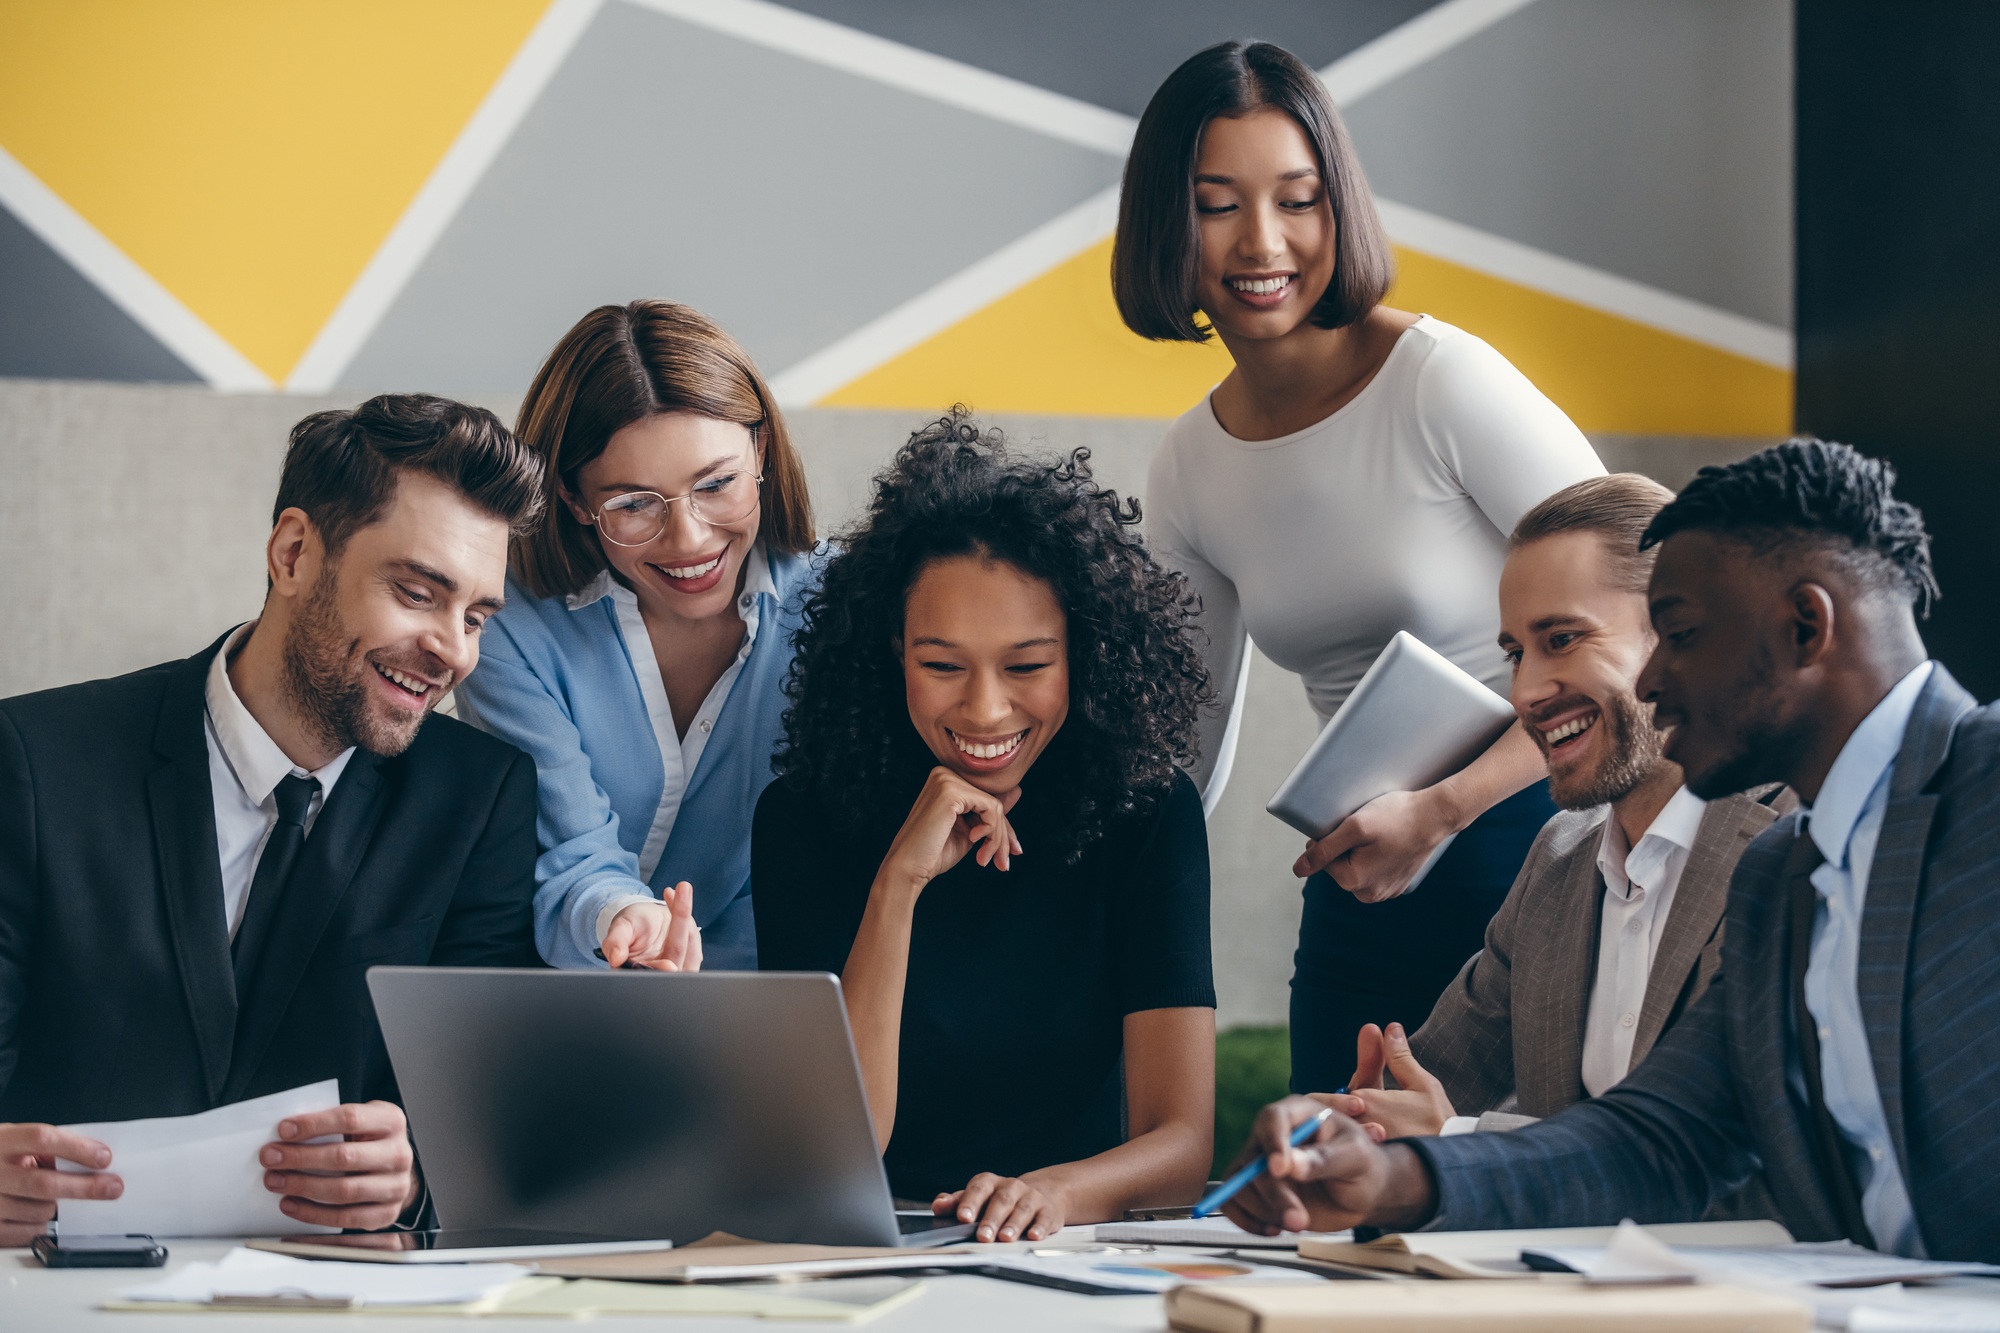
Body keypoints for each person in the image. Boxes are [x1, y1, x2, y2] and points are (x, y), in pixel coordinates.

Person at [1220, 440, 2000, 1262]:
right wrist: (1391, 1175)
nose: (1655, 679)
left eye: (1682, 635)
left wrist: (1444, 1138)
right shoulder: (1785, 875)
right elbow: (1661, 1139)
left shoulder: (1979, 788)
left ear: (1805, 625)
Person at [1118, 39, 1605, 1090]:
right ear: (1166, 223)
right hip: (1361, 869)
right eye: (1216, 205)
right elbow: (1181, 741)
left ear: (1337, 207)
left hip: (1539, 842)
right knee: (1327, 1169)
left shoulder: (1439, 382)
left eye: (1296, 200)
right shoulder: (1188, 465)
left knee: (1516, 1173)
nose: (1262, 241)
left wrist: (1443, 809)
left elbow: (1640, 608)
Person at [0, 395, 544, 1244]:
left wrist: (414, 1181)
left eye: (475, 617)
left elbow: (483, 1135)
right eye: (417, 593)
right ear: (293, 553)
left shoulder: (482, 799)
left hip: (335, 1294)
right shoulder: (35, 759)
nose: (454, 650)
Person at [754, 414, 1216, 1243]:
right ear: (893, 651)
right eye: (942, 665)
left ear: (1084, 653)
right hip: (876, 1245)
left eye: (1027, 665)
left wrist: (1052, 1192)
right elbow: (837, 1151)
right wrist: (898, 885)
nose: (985, 709)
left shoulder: (1148, 810)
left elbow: (1180, 1145)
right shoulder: (801, 819)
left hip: (1068, 1240)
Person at [1333, 475, 1791, 1146]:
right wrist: (1348, 1129)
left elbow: (1730, 1156)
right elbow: (1419, 1095)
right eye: (1516, 654)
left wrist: (1457, 1138)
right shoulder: (1558, 858)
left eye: (1563, 639)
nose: (1524, 692)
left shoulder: (1800, 844)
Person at [454, 301, 817, 971]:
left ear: (761, 451)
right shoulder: (503, 620)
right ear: (573, 499)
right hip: (562, 989)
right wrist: (623, 917)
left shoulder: (839, 607)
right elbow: (569, 849)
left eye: (717, 484)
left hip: (772, 991)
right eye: (632, 504)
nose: (690, 539)